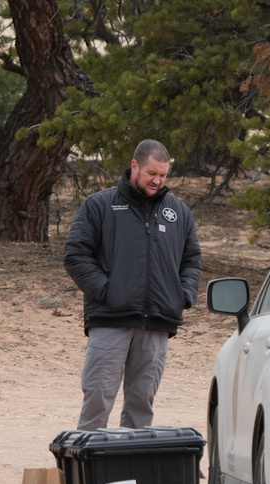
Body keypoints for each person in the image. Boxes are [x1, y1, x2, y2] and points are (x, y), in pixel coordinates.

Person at [63, 139, 202, 431]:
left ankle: (133, 471)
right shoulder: (100, 205)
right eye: (152, 173)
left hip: (158, 324)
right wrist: (108, 292)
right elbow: (75, 255)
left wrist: (183, 296)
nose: (157, 180)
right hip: (110, 320)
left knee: (142, 405)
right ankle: (87, 471)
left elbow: (191, 260)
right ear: (134, 165)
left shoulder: (179, 213)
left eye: (163, 175)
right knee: (98, 399)